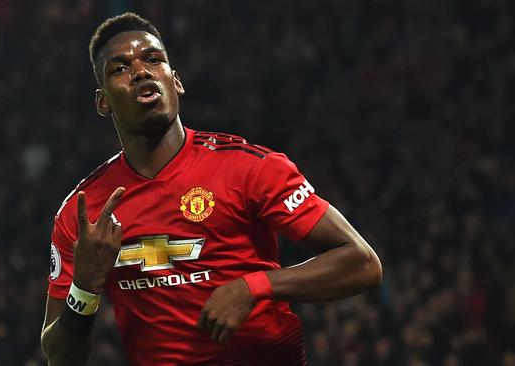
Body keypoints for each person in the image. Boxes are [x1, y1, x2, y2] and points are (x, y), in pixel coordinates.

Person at [40, 12, 382, 366]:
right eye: (120, 68)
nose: (141, 71)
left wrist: (256, 286)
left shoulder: (248, 168)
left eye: (153, 59)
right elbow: (59, 358)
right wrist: (84, 288)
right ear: (103, 102)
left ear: (176, 82)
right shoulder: (83, 214)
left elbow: (362, 263)